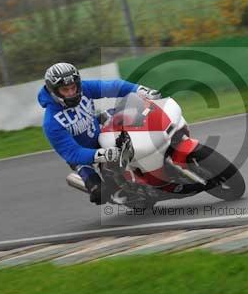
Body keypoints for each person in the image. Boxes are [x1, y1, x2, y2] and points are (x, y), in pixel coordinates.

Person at [37, 62, 160, 205]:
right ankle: (111, 191)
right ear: (54, 91)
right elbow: (73, 153)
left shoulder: (84, 89)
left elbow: (112, 86)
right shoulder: (51, 123)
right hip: (84, 157)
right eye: (65, 89)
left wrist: (141, 90)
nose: (71, 93)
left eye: (73, 87)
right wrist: (104, 154)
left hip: (100, 131)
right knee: (100, 194)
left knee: (132, 112)